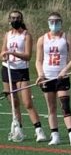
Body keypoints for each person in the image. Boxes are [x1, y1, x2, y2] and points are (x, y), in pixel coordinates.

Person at [1, 9, 46, 143]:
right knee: (14, 103)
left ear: (21, 19)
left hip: (21, 71)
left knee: (27, 102)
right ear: (9, 20)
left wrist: (13, 53)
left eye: (18, 18)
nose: (15, 20)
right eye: (13, 18)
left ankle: (39, 130)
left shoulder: (26, 35)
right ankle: (18, 129)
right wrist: (4, 56)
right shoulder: (7, 35)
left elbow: (28, 56)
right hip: (7, 70)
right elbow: (2, 52)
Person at [35, 12, 71, 146]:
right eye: (52, 21)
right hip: (48, 77)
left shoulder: (67, 38)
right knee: (51, 107)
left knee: (65, 106)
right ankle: (55, 135)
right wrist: (40, 75)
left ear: (61, 22)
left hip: (61, 77)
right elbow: (38, 60)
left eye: (57, 21)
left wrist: (64, 70)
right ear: (48, 23)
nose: (54, 24)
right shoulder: (42, 39)